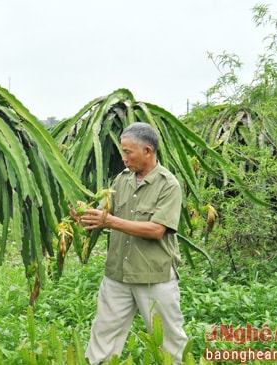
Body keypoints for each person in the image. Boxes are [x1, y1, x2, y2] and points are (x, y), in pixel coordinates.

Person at [73, 122, 188, 364]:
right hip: (118, 274)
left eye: (128, 152)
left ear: (147, 151)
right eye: (123, 152)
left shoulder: (168, 185)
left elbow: (157, 230)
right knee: (102, 335)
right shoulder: (121, 180)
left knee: (169, 342)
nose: (123, 158)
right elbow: (108, 216)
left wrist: (110, 221)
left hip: (154, 276)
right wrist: (86, 216)